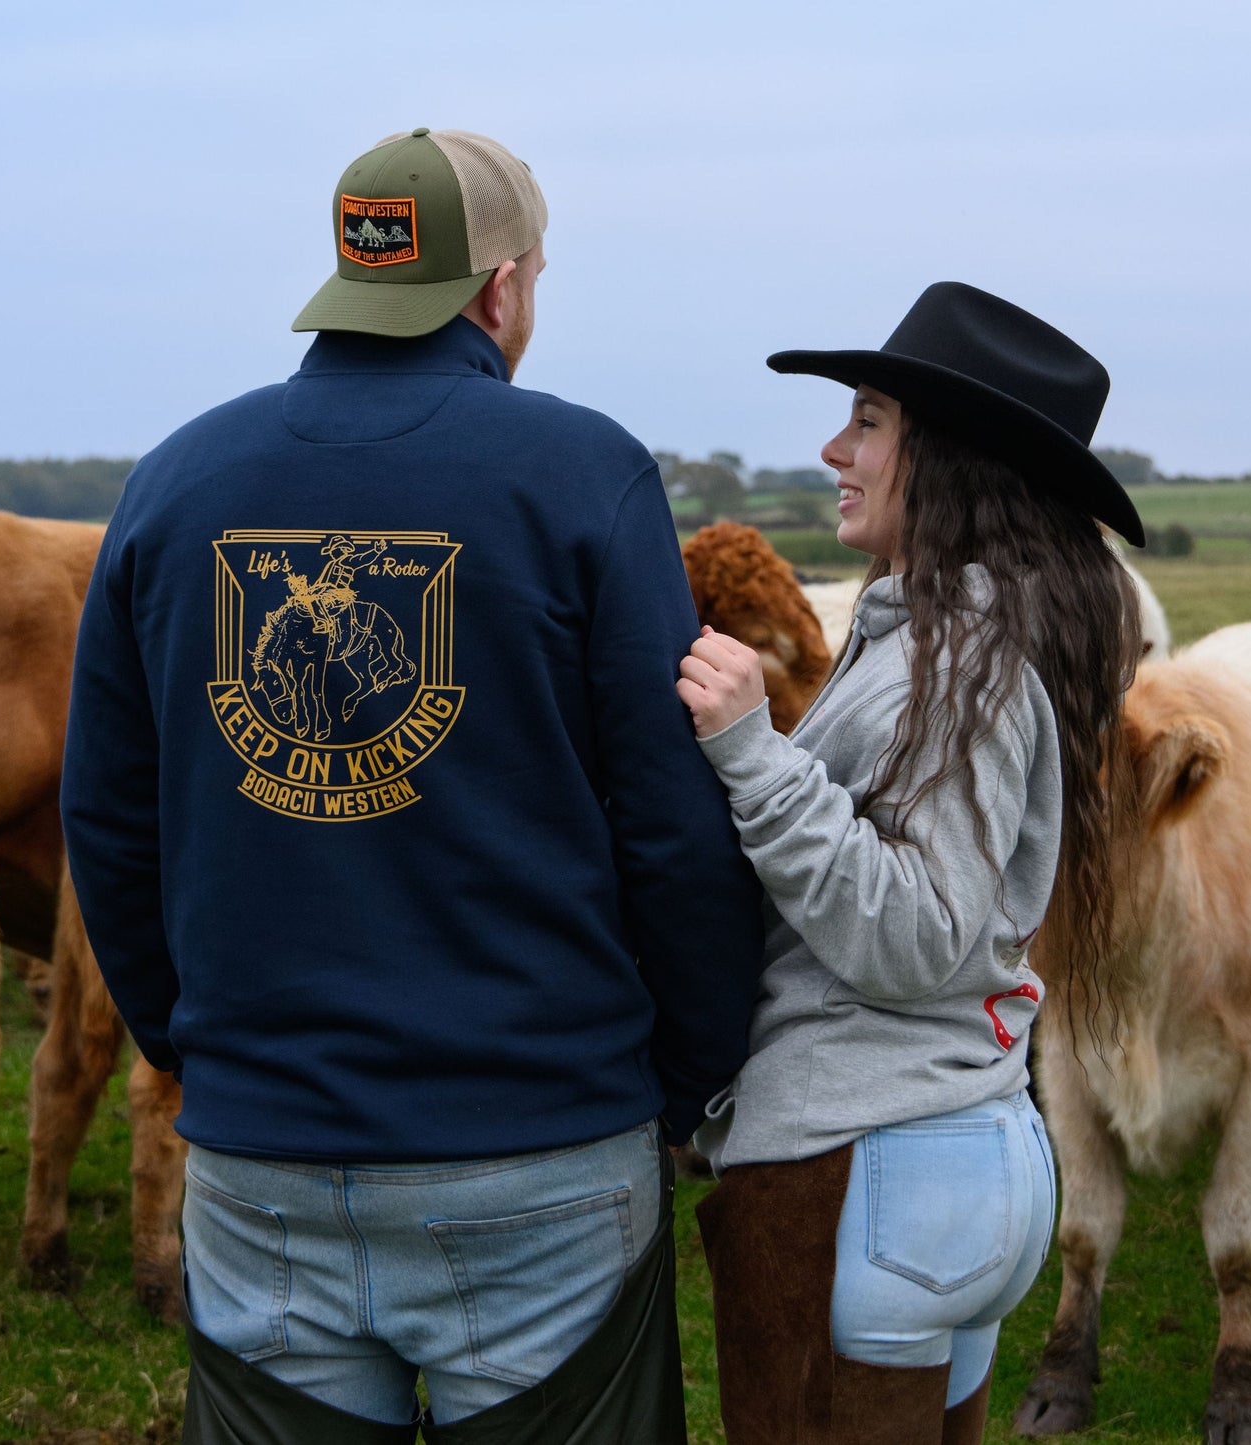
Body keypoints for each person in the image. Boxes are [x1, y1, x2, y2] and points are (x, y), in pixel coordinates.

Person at [61, 127, 764, 1445]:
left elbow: (105, 816)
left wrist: (205, 1053)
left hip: (261, 1156)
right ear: (499, 288)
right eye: (534, 278)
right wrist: (684, 1076)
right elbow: (672, 826)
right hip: (541, 1145)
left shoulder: (177, 482)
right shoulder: (583, 475)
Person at [676, 281, 1146, 1445]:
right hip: (946, 1152)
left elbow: (917, 929)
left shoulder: (956, 657)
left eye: (868, 420)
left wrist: (750, 751)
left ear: (950, 459)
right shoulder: (950, 636)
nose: (833, 448)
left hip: (866, 1164)